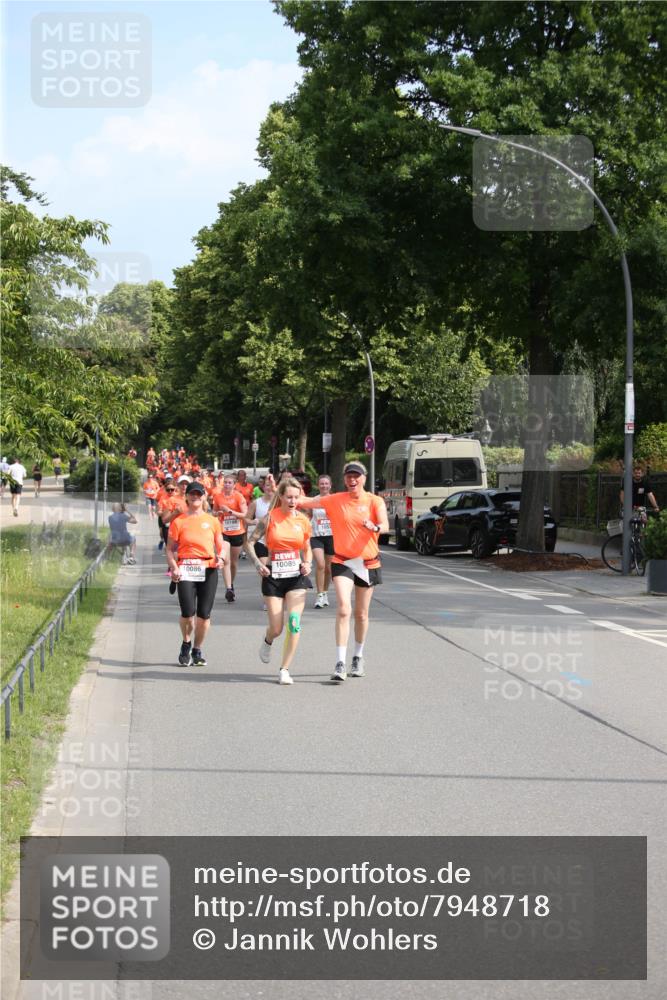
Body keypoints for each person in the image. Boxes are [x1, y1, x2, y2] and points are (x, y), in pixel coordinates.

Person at [297, 460, 389, 682]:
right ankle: (340, 662)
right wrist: (284, 489)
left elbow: (385, 526)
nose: (352, 480)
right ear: (344, 478)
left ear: (364, 478)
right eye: (349, 476)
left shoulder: (375, 501)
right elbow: (305, 502)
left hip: (368, 563)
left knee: (361, 614)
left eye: (356, 475)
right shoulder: (335, 500)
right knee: (344, 610)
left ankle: (357, 656)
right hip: (343, 561)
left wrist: (375, 527)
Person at [244, 477, 313, 685]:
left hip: (295, 577)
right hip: (273, 575)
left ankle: (284, 669)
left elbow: (307, 547)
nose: (293, 501)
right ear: (281, 497)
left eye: (296, 497)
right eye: (289, 497)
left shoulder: (303, 520)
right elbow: (249, 543)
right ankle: (268, 640)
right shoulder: (269, 518)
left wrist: (307, 563)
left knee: (294, 622)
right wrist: (258, 564)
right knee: (277, 628)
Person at [167, 481, 225, 667]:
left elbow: (221, 546)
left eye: (199, 494)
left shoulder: (212, 521)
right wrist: (174, 567)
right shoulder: (179, 521)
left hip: (208, 569)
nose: (195, 497)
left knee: (204, 615)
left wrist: (222, 558)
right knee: (187, 613)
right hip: (186, 569)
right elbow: (170, 549)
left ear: (204, 496)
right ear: (187, 496)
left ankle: (197, 649)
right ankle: (186, 642)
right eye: (192, 494)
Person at [211, 473, 247, 602]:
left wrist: (230, 511)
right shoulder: (217, 496)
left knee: (233, 562)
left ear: (234, 484)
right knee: (225, 560)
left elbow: (245, 514)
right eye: (225, 482)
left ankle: (231, 584)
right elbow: (213, 513)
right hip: (223, 531)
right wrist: (218, 513)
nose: (226, 484)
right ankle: (228, 589)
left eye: (229, 482)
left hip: (237, 531)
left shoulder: (238, 496)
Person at [309, 474, 335, 608]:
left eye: (326, 483)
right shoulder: (313, 500)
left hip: (331, 536)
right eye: (321, 483)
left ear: (330, 485)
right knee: (320, 564)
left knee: (329, 568)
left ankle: (325, 592)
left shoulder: (335, 500)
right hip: (316, 535)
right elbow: (309, 516)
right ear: (318, 485)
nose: (324, 486)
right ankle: (319, 595)